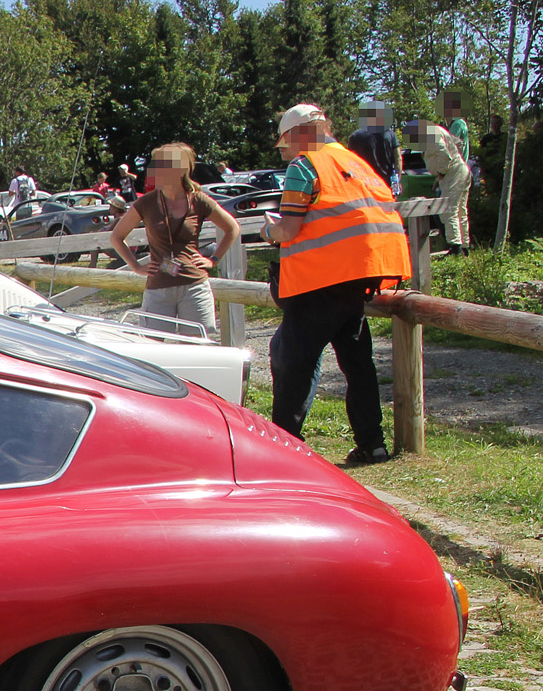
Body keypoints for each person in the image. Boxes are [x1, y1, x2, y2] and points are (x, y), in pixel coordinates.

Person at [265, 103, 412, 466]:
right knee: (358, 366)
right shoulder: (358, 164)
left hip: (318, 281)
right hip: (357, 279)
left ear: (302, 133)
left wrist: (269, 231)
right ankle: (372, 443)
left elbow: (290, 228)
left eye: (286, 141)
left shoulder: (305, 166)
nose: (287, 150)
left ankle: (283, 449)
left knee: (293, 363)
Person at [106, 143, 240, 335]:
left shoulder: (198, 200)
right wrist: (136, 266)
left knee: (196, 348)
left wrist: (213, 259)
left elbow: (232, 228)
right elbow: (116, 237)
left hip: (194, 286)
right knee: (153, 347)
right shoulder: (146, 202)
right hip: (158, 288)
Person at [414, 99, 471, 251]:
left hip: (453, 172)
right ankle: (464, 246)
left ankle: (455, 247)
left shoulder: (432, 134)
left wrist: (441, 173)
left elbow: (444, 154)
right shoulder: (439, 131)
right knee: (460, 211)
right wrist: (439, 177)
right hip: (460, 170)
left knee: (448, 210)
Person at [345, 98, 400, 190]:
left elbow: (349, 161)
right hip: (386, 183)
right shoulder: (389, 134)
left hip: (365, 183)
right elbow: (398, 158)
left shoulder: (355, 136)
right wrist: (397, 180)